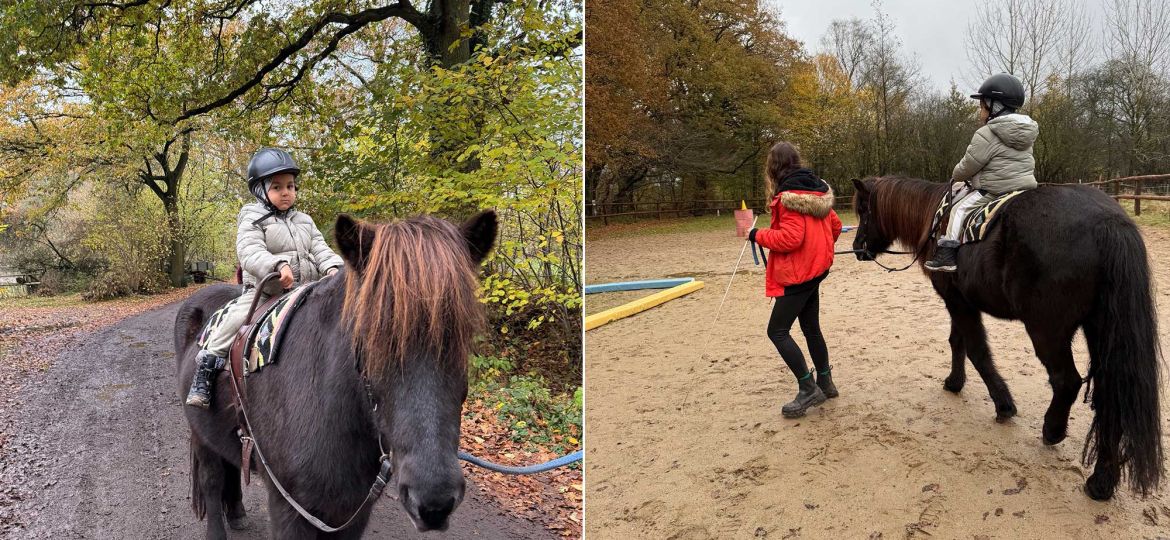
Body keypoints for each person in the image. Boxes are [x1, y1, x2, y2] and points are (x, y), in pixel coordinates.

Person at [185, 148, 344, 408]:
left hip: (307, 289)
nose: (286, 192)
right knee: (237, 318)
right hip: (268, 291)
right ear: (261, 191)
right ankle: (206, 369)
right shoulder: (252, 216)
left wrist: (334, 268)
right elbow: (249, 251)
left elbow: (320, 248)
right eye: (277, 187)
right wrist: (277, 264)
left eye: (291, 186)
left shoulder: (304, 220)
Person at [748, 142, 843, 419]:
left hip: (799, 275)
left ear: (774, 166)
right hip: (814, 272)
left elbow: (790, 239)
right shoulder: (817, 191)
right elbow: (834, 226)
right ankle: (825, 382)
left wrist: (756, 235)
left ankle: (808, 387)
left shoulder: (789, 197)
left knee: (777, 331)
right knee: (811, 327)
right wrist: (819, 250)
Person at [925, 73, 1039, 272]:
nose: (980, 111)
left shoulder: (986, 133)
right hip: (1024, 189)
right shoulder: (1026, 132)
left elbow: (968, 166)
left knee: (959, 209)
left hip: (995, 190)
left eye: (982, 105)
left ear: (994, 106)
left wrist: (956, 174)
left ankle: (947, 255)